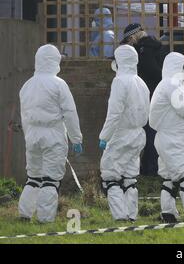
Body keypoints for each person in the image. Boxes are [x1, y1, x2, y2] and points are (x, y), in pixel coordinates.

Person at [18, 44, 83, 223]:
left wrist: (27, 137)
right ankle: (45, 219)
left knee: (33, 177)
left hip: (32, 137)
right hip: (53, 135)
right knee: (50, 180)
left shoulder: (27, 86)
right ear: (55, 61)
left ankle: (24, 214)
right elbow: (70, 112)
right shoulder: (58, 84)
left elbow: (24, 116)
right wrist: (76, 138)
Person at [149, 52, 184, 223]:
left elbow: (175, 112)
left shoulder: (168, 84)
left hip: (168, 139)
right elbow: (182, 108)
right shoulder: (172, 84)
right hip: (173, 141)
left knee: (169, 179)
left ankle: (168, 214)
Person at [99, 44, 150, 222]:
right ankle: (131, 215)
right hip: (138, 135)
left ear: (119, 61)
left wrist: (104, 137)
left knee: (110, 176)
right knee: (129, 177)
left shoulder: (120, 82)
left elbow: (114, 113)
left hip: (121, 135)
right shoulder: (141, 82)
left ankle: (120, 216)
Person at [121, 23, 169, 176]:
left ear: (132, 37)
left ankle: (150, 168)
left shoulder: (144, 51)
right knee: (153, 132)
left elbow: (152, 72)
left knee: (148, 134)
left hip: (147, 97)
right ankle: (151, 167)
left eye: (129, 40)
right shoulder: (157, 47)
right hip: (158, 96)